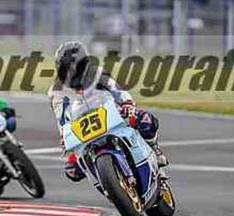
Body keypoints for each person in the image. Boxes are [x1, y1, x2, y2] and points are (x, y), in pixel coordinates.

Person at [47, 40, 168, 182]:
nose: (70, 73)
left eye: (75, 68)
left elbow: (117, 90)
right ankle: (107, 182)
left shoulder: (97, 73)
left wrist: (127, 104)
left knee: (146, 120)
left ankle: (154, 148)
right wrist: (64, 137)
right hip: (83, 129)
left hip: (112, 116)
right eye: (65, 69)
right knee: (72, 171)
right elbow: (61, 118)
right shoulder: (55, 91)